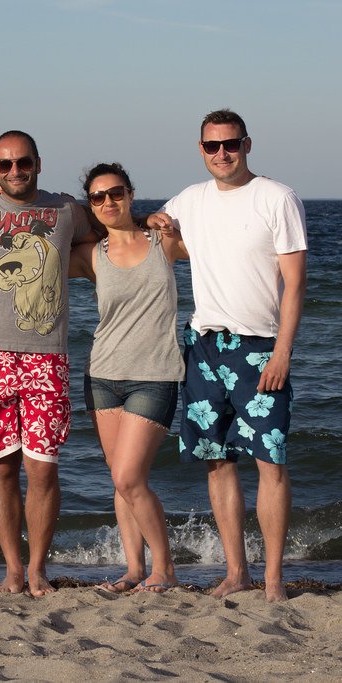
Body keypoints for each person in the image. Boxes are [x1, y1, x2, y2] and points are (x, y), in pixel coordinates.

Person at [148, 109, 307, 602]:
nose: (223, 154)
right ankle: (237, 572)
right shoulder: (190, 200)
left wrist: (282, 352)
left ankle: (274, 579)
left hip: (260, 347)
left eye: (231, 144)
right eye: (213, 146)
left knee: (269, 461)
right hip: (204, 345)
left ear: (248, 144)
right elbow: (173, 249)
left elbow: (296, 285)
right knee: (216, 461)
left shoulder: (276, 198)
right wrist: (156, 225)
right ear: (201, 149)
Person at [0, 130, 97, 596]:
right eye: (4, 165)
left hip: (47, 358)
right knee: (1, 469)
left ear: (38, 163)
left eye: (22, 163)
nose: (14, 171)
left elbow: (112, 234)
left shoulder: (65, 210)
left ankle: (37, 569)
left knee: (43, 469)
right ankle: (13, 569)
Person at [68, 163, 187, 594]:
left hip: (155, 375)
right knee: (119, 477)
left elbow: (219, 252)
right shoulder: (91, 254)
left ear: (131, 194)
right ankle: (134, 570)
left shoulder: (163, 241)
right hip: (102, 374)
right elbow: (36, 255)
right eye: (97, 197)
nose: (107, 202)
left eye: (115, 193)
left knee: (129, 477)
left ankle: (166, 568)